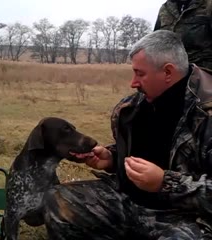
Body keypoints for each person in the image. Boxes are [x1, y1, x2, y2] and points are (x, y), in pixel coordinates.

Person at [42, 30, 212, 240]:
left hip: (185, 216)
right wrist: (113, 159)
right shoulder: (135, 106)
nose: (133, 83)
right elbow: (142, 151)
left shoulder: (205, 112)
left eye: (140, 74)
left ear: (168, 72)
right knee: (59, 200)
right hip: (128, 200)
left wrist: (164, 183)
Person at [154, 0, 212, 71]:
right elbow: (155, 40)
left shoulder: (207, 5)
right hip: (171, 71)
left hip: (203, 72)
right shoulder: (165, 8)